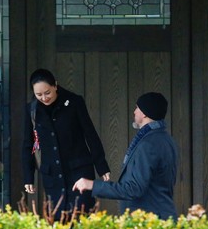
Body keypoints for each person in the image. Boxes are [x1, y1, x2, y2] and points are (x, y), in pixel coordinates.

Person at [22, 68, 110, 221]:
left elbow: (90, 134)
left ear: (55, 85)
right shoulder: (32, 110)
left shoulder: (74, 102)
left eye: (47, 92)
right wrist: (29, 176)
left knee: (82, 217)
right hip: (53, 176)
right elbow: (27, 145)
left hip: (79, 172)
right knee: (57, 221)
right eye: (39, 94)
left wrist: (101, 165)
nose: (44, 97)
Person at [73, 92, 178, 220]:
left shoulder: (148, 144)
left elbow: (133, 189)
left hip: (150, 223)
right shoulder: (166, 139)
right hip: (161, 218)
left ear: (144, 113)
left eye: (137, 108)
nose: (134, 112)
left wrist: (92, 185)